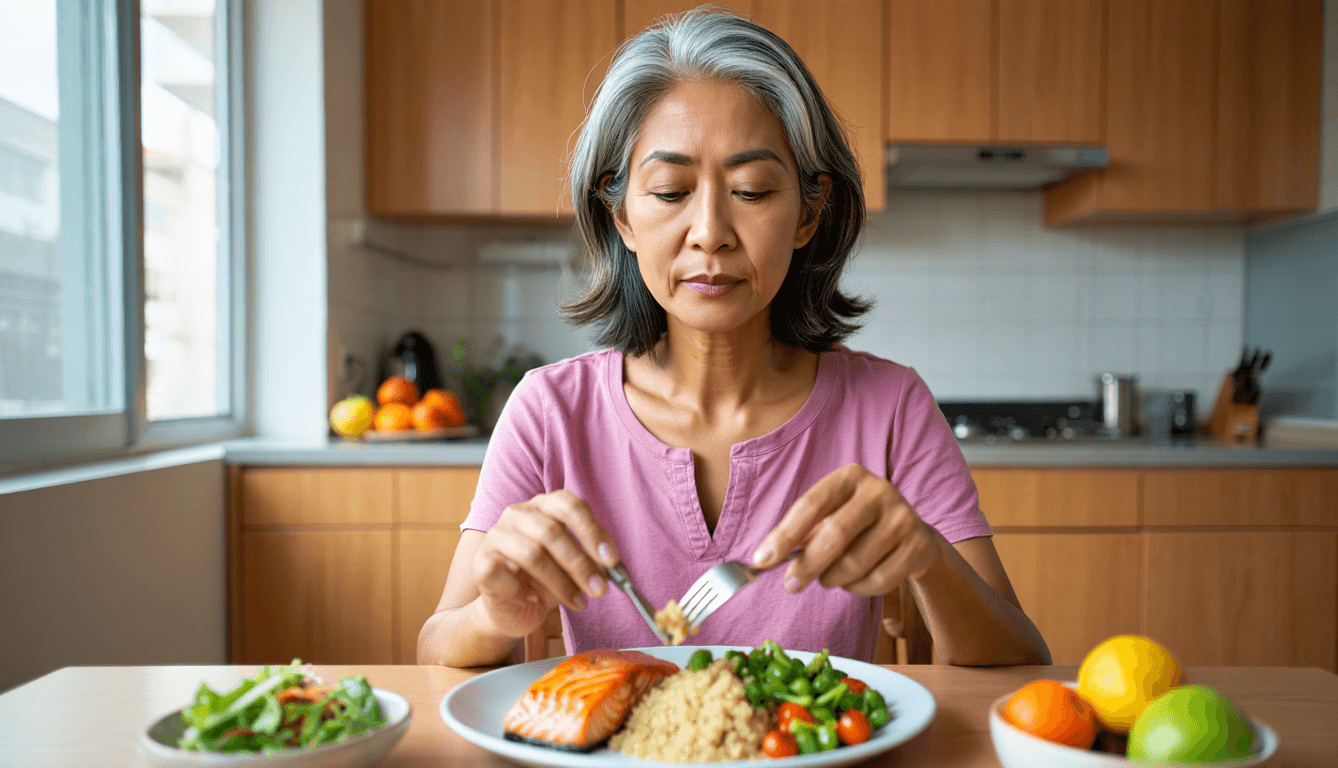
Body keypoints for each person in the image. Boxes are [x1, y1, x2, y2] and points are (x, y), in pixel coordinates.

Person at [417, 7, 1050, 667]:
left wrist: (928, 557)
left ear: (808, 212)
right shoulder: (549, 412)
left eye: (751, 190)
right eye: (669, 192)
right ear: (622, 217)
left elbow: (1022, 656)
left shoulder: (889, 406)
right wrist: (494, 615)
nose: (711, 231)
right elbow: (435, 648)